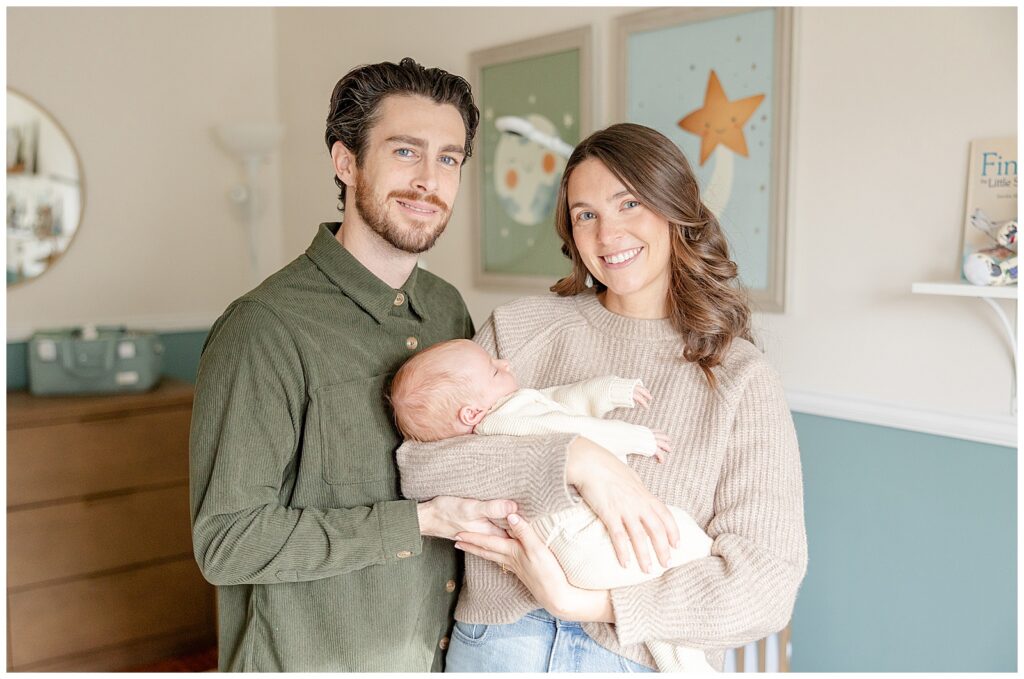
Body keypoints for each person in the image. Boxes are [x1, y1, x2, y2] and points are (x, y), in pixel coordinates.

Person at [397, 122, 808, 672]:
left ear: (675, 208)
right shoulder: (517, 333)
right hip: (498, 645)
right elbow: (421, 467)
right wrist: (573, 459)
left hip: (630, 657)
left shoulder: (740, 379)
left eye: (629, 203)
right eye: (586, 214)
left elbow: (765, 584)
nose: (607, 234)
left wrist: (588, 603)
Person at [188, 58, 517, 672]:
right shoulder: (264, 328)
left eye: (448, 158)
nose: (429, 180)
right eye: (405, 151)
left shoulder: (447, 308)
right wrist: (418, 521)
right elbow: (226, 543)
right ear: (346, 162)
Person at [390, 337, 717, 671]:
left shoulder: (511, 408)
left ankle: (686, 665)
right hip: (584, 548)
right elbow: (574, 430)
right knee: (679, 534)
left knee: (652, 600)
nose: (506, 364)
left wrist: (606, 392)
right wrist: (636, 439)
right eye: (493, 370)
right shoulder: (505, 420)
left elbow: (561, 399)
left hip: (578, 556)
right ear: (472, 412)